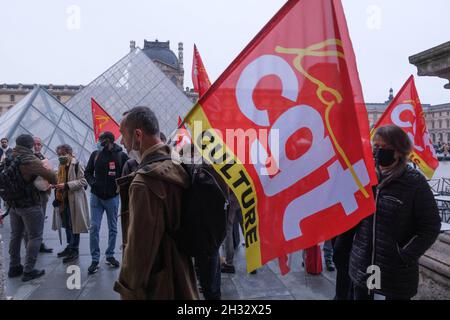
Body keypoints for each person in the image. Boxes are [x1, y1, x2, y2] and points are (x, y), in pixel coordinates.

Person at [113, 106, 198, 300]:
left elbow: (139, 250)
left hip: (159, 283)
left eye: (123, 134)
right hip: (182, 270)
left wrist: (128, 289)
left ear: (137, 135)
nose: (122, 142)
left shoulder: (144, 183)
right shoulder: (177, 163)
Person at [349, 125, 441, 300]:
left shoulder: (414, 182)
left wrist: (405, 255)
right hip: (364, 264)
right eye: (375, 146)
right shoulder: (366, 177)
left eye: (384, 148)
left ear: (399, 151)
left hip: (395, 269)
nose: (378, 151)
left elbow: (431, 226)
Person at [7, 134, 57, 282]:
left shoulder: (9, 156)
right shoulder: (29, 159)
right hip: (29, 204)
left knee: (15, 235)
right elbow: (52, 177)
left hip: (13, 203)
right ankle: (29, 270)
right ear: (29, 145)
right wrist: (48, 168)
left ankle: (14, 267)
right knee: (35, 236)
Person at [84, 131, 128, 274]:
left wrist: (118, 189)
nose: (98, 142)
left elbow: (127, 174)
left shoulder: (121, 156)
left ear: (108, 141)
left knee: (113, 228)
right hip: (96, 197)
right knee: (94, 227)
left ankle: (110, 255)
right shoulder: (95, 154)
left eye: (101, 139)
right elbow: (88, 172)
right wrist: (93, 183)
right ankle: (95, 259)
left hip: (112, 198)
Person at [51, 144, 90, 264]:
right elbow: (59, 179)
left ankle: (75, 250)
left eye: (63, 154)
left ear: (69, 153)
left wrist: (67, 185)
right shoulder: (61, 166)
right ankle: (69, 246)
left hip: (74, 199)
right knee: (67, 224)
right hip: (64, 199)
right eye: (59, 155)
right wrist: (57, 186)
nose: (61, 157)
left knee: (74, 225)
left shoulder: (77, 164)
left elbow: (84, 181)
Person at [32, 137, 53, 253]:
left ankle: (39, 242)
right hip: (32, 194)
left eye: (39, 144)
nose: (37, 146)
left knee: (40, 219)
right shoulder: (29, 158)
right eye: (35, 144)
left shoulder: (44, 157)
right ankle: (34, 244)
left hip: (43, 192)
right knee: (33, 221)